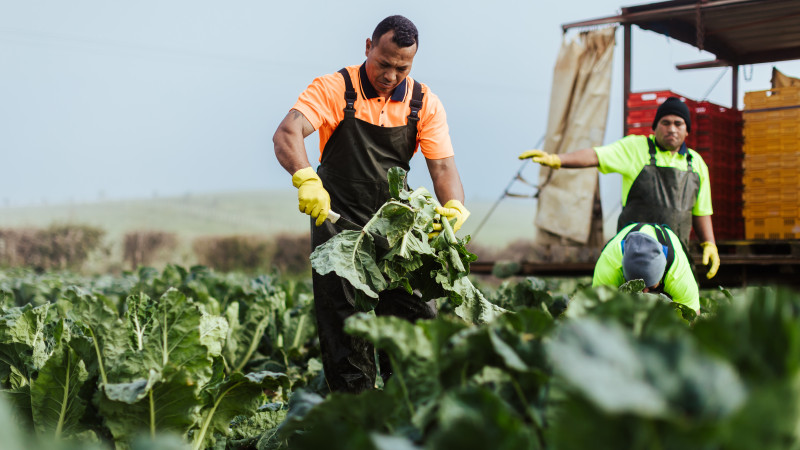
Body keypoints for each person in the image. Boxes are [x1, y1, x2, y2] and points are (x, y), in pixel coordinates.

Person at [272, 15, 468, 393]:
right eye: (384, 63)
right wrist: (305, 177)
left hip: (397, 232)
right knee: (346, 331)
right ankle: (355, 420)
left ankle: (411, 417)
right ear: (368, 47)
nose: (391, 75)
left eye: (402, 67)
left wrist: (454, 207)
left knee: (416, 328)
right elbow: (288, 132)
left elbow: (442, 166)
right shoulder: (334, 88)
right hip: (338, 229)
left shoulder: (423, 101)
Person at [518, 97, 720, 279]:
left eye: (678, 123)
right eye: (665, 122)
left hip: (675, 259)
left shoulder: (697, 164)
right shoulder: (635, 148)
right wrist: (558, 160)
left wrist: (709, 244)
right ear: (655, 126)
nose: (672, 129)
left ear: (687, 130)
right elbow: (595, 156)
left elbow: (701, 212)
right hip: (634, 258)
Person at [593, 222, 700, 313]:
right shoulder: (610, 265)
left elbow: (692, 319)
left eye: (651, 287)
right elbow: (597, 316)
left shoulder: (678, 274)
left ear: (662, 274)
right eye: (637, 286)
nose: (644, 292)